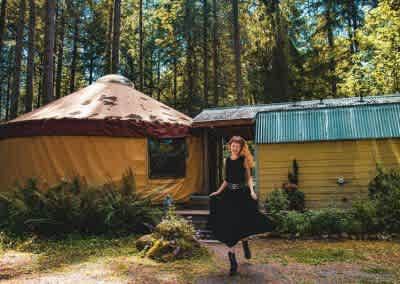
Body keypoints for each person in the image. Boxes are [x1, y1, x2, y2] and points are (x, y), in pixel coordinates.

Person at [208, 135, 274, 276]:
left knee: (243, 223)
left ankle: (245, 242)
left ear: (241, 147)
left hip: (242, 195)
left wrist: (251, 191)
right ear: (230, 146)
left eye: (237, 146)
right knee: (230, 225)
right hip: (229, 195)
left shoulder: (243, 160)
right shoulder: (227, 160)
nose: (235, 147)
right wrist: (218, 192)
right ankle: (233, 263)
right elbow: (226, 180)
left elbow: (249, 178)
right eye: (233, 145)